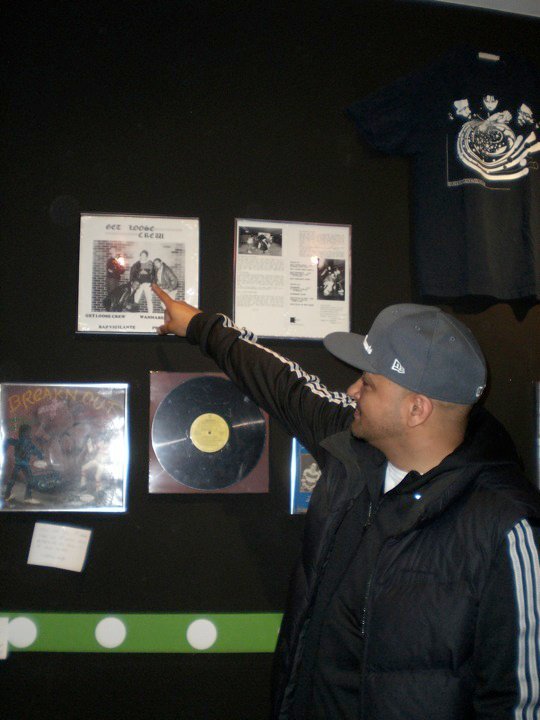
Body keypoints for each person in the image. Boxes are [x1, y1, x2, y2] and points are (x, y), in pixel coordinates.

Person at [151, 284, 540, 720]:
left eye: (368, 383)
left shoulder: (505, 526)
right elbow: (284, 385)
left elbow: (520, 700)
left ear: (417, 410)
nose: (352, 389)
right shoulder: (351, 449)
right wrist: (201, 327)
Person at [2, 424, 44, 504]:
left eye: (29, 432)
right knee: (16, 480)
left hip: (23, 464)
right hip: (20, 463)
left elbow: (34, 450)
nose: (29, 433)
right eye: (28, 432)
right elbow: (8, 442)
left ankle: (26, 496)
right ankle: (10, 495)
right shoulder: (22, 442)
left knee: (27, 480)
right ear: (24, 432)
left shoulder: (27, 442)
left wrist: (40, 455)